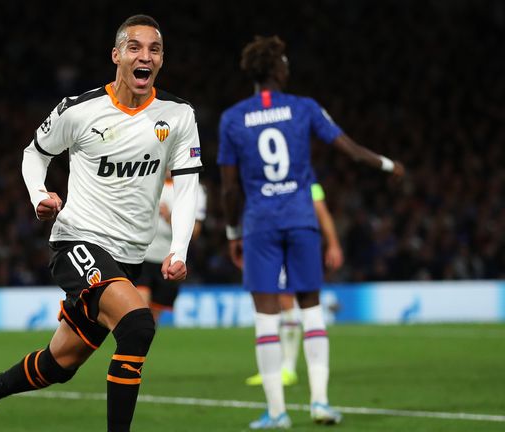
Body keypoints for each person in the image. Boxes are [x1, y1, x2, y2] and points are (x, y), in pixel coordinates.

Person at [0, 14, 203, 432]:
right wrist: (39, 195)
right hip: (78, 242)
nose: (145, 56)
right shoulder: (79, 110)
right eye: (135, 47)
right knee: (138, 325)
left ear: (161, 60)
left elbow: (186, 186)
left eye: (155, 50)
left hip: (128, 258)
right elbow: (34, 154)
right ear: (116, 55)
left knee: (60, 364)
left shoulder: (178, 115)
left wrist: (179, 249)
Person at [218, 35, 404, 429]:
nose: (288, 66)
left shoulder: (233, 118)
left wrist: (234, 231)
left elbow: (230, 189)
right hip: (301, 218)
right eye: (285, 61)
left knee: (266, 318)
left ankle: (276, 412)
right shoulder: (304, 107)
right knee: (311, 310)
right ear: (276, 69)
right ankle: (320, 403)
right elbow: (350, 149)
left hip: (260, 225)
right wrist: (389, 165)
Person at [245, 182, 344, 387]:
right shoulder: (273, 179)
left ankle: (287, 368)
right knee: (271, 303)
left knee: (286, 301)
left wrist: (333, 243)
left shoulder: (307, 182)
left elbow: (321, 212)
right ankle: (273, 368)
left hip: (293, 243)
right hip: (271, 240)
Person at [136, 172, 207, 323]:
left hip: (170, 261)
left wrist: (169, 218)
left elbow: (195, 232)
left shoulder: (194, 188)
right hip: (142, 256)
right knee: (140, 311)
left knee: (152, 319)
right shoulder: (146, 179)